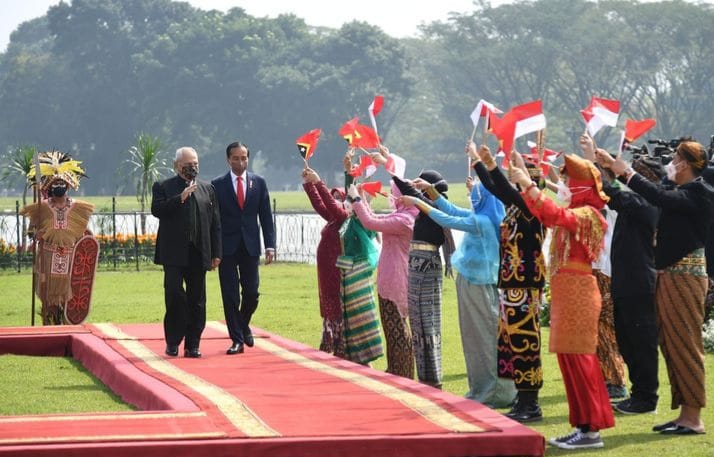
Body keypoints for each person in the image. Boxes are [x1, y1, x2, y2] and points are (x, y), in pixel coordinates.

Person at [602, 140, 714, 435]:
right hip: (670, 276)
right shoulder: (678, 191)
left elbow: (656, 194)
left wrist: (626, 173)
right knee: (671, 344)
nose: (670, 164)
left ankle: (693, 418)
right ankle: (683, 415)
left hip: (686, 277)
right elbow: (658, 190)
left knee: (685, 345)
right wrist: (607, 167)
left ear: (685, 164)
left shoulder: (700, 192)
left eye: (675, 159)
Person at [510, 153, 614, 450]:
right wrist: (523, 183)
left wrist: (530, 184)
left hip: (579, 293)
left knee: (581, 361)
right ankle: (582, 426)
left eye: (569, 180)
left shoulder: (590, 215)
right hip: (568, 292)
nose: (565, 184)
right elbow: (546, 213)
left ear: (582, 186)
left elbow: (556, 216)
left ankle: (591, 429)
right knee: (569, 361)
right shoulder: (578, 209)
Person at [402, 171, 516, 407]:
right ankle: (481, 387)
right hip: (472, 282)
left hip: (479, 284)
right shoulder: (482, 215)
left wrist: (417, 201)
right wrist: (430, 191)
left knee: (483, 336)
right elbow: (452, 210)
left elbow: (447, 220)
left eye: (477, 193)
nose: (473, 196)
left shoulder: (483, 221)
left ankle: (494, 390)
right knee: (473, 337)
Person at [470, 143, 546, 422]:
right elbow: (495, 188)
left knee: (525, 343)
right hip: (512, 284)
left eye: (521, 178)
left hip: (525, 285)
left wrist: (487, 162)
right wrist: (480, 163)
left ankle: (531, 402)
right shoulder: (516, 208)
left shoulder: (531, 207)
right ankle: (521, 397)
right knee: (511, 344)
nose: (515, 179)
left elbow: (502, 189)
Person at [349, 153, 418, 377]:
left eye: (395, 193)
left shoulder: (405, 220)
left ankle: (403, 372)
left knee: (397, 328)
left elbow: (371, 223)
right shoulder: (403, 214)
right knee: (392, 328)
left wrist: (357, 201)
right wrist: (361, 198)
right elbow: (375, 220)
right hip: (390, 276)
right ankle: (396, 369)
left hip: (396, 278)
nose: (392, 196)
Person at [151, 147, 221, 358]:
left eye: (195, 163)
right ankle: (173, 340)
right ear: (177, 166)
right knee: (173, 294)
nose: (192, 167)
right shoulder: (163, 186)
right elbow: (157, 210)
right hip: (173, 253)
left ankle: (193, 344)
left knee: (197, 300)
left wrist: (216, 253)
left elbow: (215, 222)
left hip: (199, 252)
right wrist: (180, 198)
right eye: (188, 164)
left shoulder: (207, 188)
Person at [212, 141, 275, 355]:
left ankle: (242, 323)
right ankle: (237, 340)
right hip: (226, 248)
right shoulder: (217, 185)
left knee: (252, 293)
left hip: (250, 246)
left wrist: (270, 245)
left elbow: (266, 216)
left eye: (244, 157)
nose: (241, 162)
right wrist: (214, 250)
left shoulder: (258, 183)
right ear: (228, 159)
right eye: (236, 158)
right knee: (230, 296)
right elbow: (214, 220)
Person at [394, 171, 455, 389]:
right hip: (418, 266)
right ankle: (425, 376)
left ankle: (433, 377)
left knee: (428, 323)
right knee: (418, 321)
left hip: (428, 266)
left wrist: (392, 169)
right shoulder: (426, 207)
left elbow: (412, 193)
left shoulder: (438, 205)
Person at [21, 151, 94, 325]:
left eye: (62, 183)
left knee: (70, 295)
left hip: (70, 258)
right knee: (48, 295)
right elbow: (30, 231)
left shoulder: (77, 208)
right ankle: (50, 323)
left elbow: (87, 234)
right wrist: (35, 235)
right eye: (55, 183)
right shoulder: (42, 207)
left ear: (68, 186)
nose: (59, 186)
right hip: (47, 256)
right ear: (49, 187)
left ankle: (67, 324)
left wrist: (88, 242)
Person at [301, 168, 348, 358]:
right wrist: (308, 184)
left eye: (338, 198)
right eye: (333, 196)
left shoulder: (344, 219)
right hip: (326, 270)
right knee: (328, 304)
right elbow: (321, 205)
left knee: (336, 305)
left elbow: (329, 203)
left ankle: (338, 344)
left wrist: (319, 182)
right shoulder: (332, 220)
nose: (334, 200)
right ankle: (328, 341)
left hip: (336, 270)